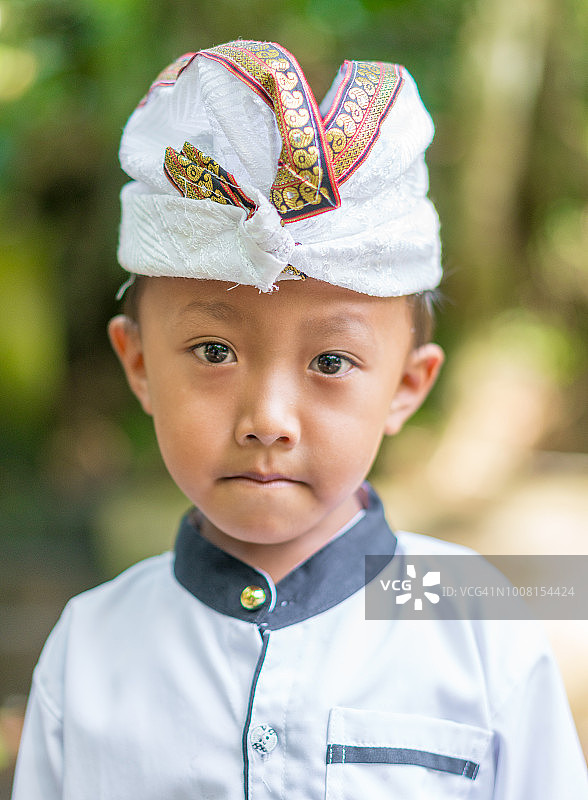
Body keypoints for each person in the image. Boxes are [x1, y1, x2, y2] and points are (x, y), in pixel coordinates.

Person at [12, 39, 587, 798]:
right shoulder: (90, 645)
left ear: (409, 386)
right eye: (214, 350)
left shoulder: (479, 623)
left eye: (330, 363)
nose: (268, 419)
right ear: (140, 363)